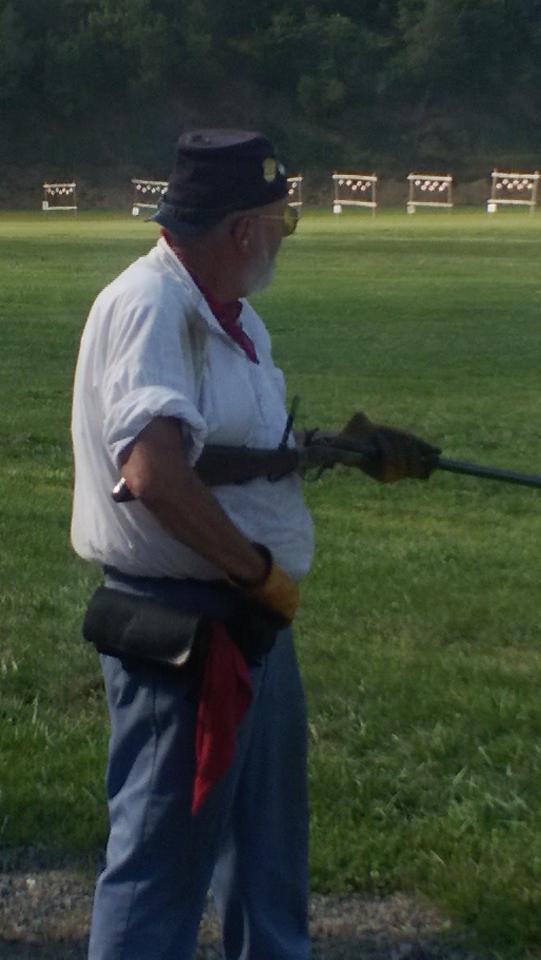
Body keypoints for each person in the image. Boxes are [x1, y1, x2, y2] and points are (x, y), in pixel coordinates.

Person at [71, 129, 439, 960]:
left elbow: (212, 448)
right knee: (160, 868)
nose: (285, 237)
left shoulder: (230, 319)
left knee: (267, 857)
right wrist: (258, 573)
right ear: (241, 229)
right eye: (283, 222)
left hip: (248, 620)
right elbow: (154, 471)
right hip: (187, 627)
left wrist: (341, 450)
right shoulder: (151, 306)